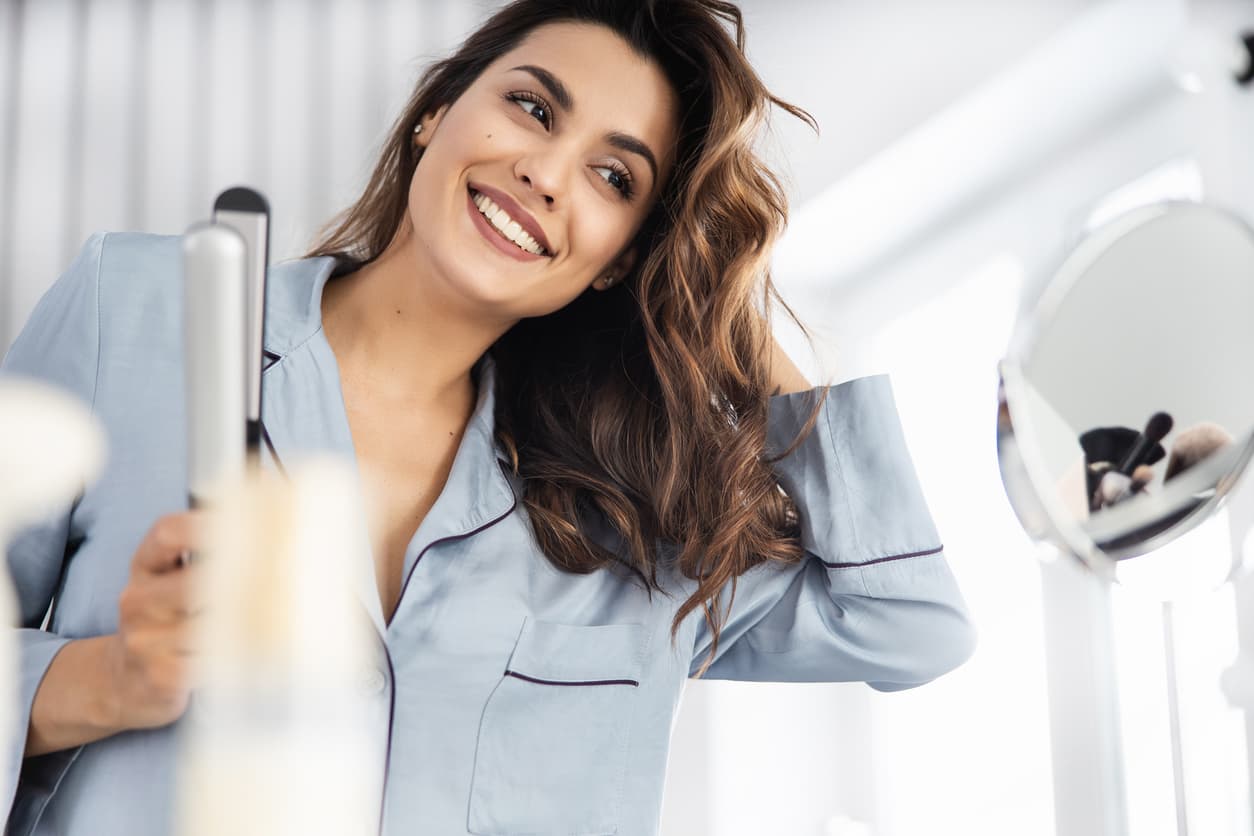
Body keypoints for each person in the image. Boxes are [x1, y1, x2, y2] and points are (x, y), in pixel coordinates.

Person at [1, 1, 976, 833]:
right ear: (436, 111)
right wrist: (109, 678)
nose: (546, 172)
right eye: (532, 106)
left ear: (623, 259)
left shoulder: (630, 531)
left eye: (614, 177)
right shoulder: (133, 308)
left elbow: (908, 623)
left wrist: (721, 304)